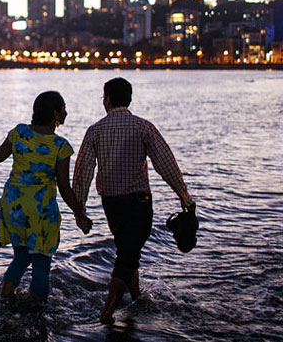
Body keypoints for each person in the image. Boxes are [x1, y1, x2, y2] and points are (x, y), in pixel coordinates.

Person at [72, 77, 196, 324]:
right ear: (129, 99)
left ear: (106, 100)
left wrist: (80, 211)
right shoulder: (143, 127)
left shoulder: (95, 130)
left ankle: (137, 298)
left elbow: (83, 173)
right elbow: (166, 164)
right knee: (127, 256)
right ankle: (106, 315)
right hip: (138, 202)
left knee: (127, 250)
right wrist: (184, 196)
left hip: (111, 203)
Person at [0, 91, 92, 302]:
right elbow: (65, 187)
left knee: (21, 257)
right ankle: (36, 313)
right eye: (63, 108)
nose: (66, 112)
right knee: (41, 261)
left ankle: (5, 299)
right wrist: (80, 215)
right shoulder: (60, 146)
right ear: (55, 113)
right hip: (40, 209)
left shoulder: (19, 132)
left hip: (13, 205)